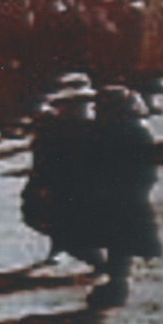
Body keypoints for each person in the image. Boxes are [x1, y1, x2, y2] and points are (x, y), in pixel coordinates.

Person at [82, 85, 162, 310]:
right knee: (119, 244)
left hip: (121, 197)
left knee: (119, 244)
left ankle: (117, 287)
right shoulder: (135, 130)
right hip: (129, 196)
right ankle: (117, 283)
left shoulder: (118, 133)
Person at [20, 76, 100, 268]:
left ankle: (94, 256)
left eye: (84, 103)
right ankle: (63, 246)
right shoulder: (50, 128)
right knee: (42, 214)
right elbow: (42, 160)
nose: (81, 108)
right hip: (57, 182)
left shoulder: (97, 128)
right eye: (72, 104)